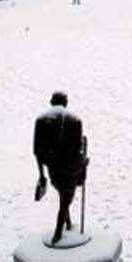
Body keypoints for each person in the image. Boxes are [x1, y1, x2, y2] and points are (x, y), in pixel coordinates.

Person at [34, 92, 87, 244]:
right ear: (66, 103)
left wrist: (41, 175)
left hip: (53, 169)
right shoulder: (75, 120)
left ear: (51, 102)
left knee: (63, 195)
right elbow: (78, 150)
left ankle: (68, 224)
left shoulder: (41, 120)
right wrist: (83, 162)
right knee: (66, 199)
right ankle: (58, 233)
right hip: (70, 169)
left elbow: (37, 151)